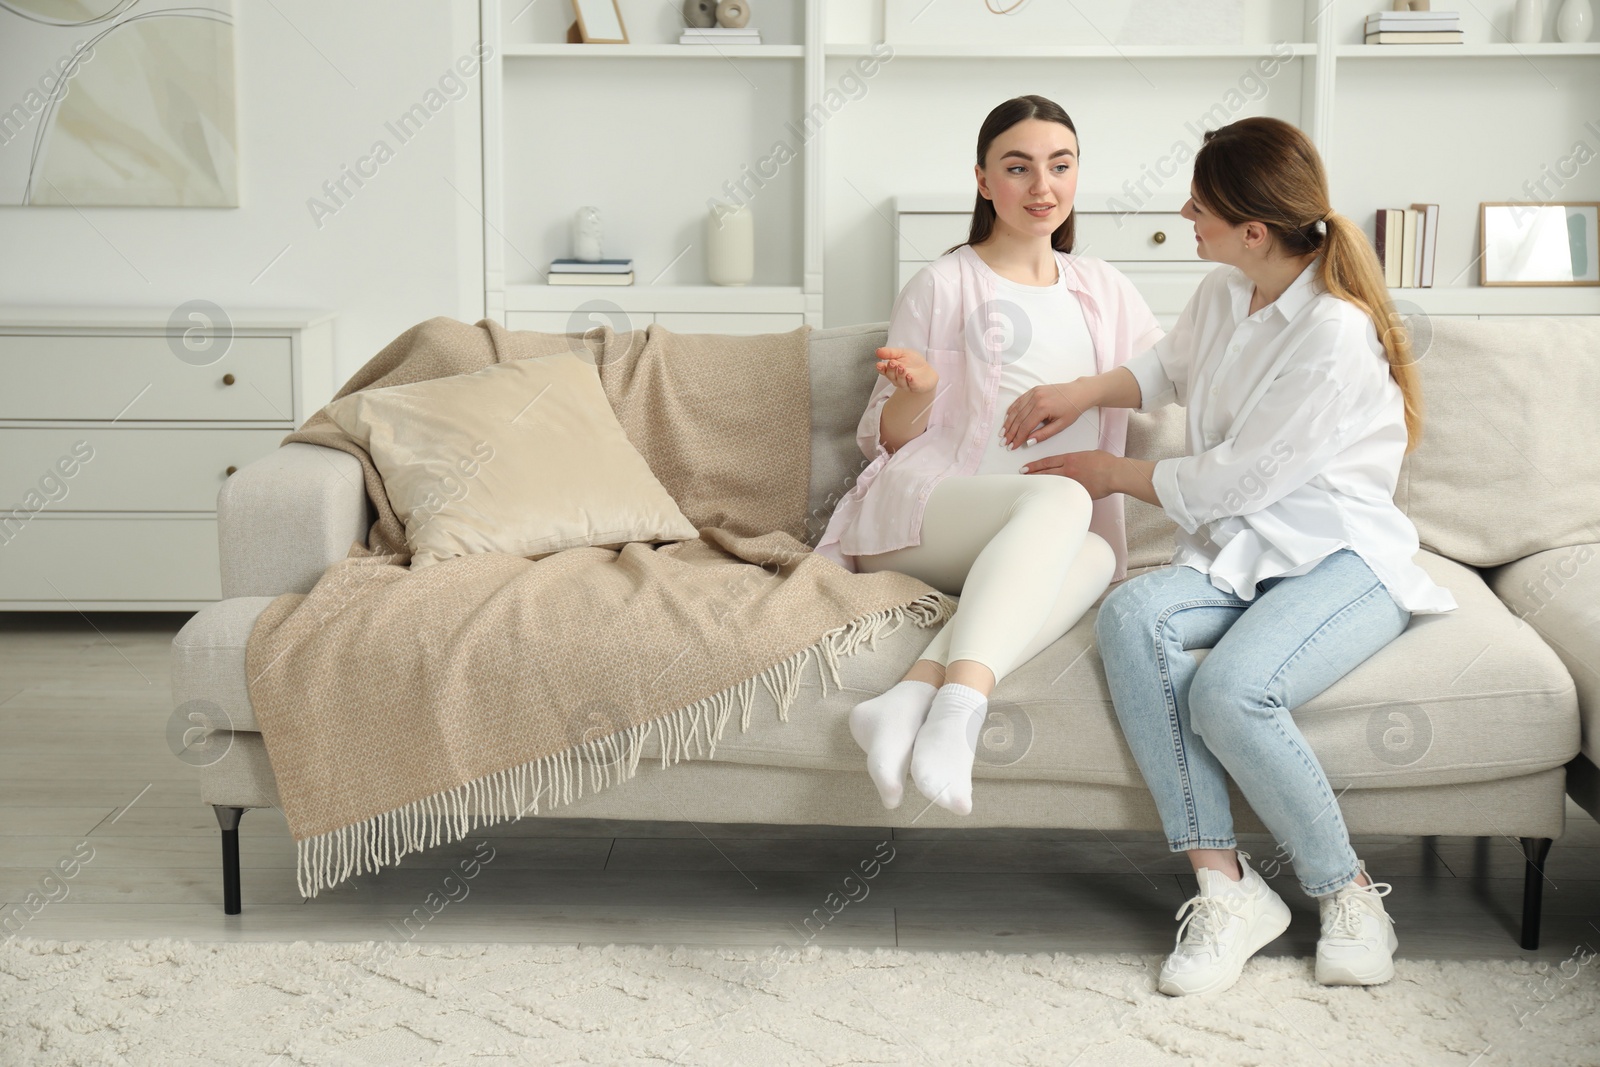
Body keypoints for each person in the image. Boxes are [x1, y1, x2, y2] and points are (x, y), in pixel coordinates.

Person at [1023, 115, 1457, 995]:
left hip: (1339, 557)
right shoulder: (1228, 291)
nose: (1187, 213)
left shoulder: (1334, 337)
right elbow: (1167, 367)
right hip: (1245, 553)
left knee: (1231, 691)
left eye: (1201, 207)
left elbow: (1233, 482)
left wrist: (1113, 470)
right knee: (1132, 613)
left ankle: (1346, 891)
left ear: (1252, 230)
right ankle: (1226, 887)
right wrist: (1081, 392)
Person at [813, 94, 1163, 817]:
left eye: (1060, 166)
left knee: (1095, 556)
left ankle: (909, 696)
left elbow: (1166, 379)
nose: (1043, 187)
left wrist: (1083, 391)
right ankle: (962, 710)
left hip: (1040, 532)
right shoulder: (944, 283)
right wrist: (922, 390)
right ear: (982, 181)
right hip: (926, 512)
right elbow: (888, 439)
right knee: (1068, 499)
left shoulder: (1104, 288)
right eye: (1019, 167)